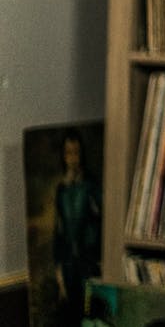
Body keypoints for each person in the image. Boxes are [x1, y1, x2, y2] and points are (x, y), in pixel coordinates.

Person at [54, 128, 102, 325]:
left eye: (76, 152)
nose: (72, 158)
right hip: (68, 264)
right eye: (68, 153)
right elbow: (59, 231)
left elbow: (100, 219)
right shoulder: (62, 189)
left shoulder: (90, 185)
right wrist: (59, 275)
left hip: (88, 262)